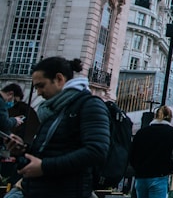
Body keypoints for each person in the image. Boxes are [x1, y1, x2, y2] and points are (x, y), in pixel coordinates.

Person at [2, 57, 110, 198]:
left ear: (59, 79)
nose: (38, 93)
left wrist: (44, 167)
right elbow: (52, 151)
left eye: (41, 86)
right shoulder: (54, 109)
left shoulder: (89, 105)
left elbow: (96, 151)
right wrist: (23, 151)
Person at [130, 105, 173, 198]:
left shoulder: (142, 132)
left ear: (155, 116)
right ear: (170, 118)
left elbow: (132, 153)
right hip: (160, 175)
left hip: (141, 176)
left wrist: (137, 168)